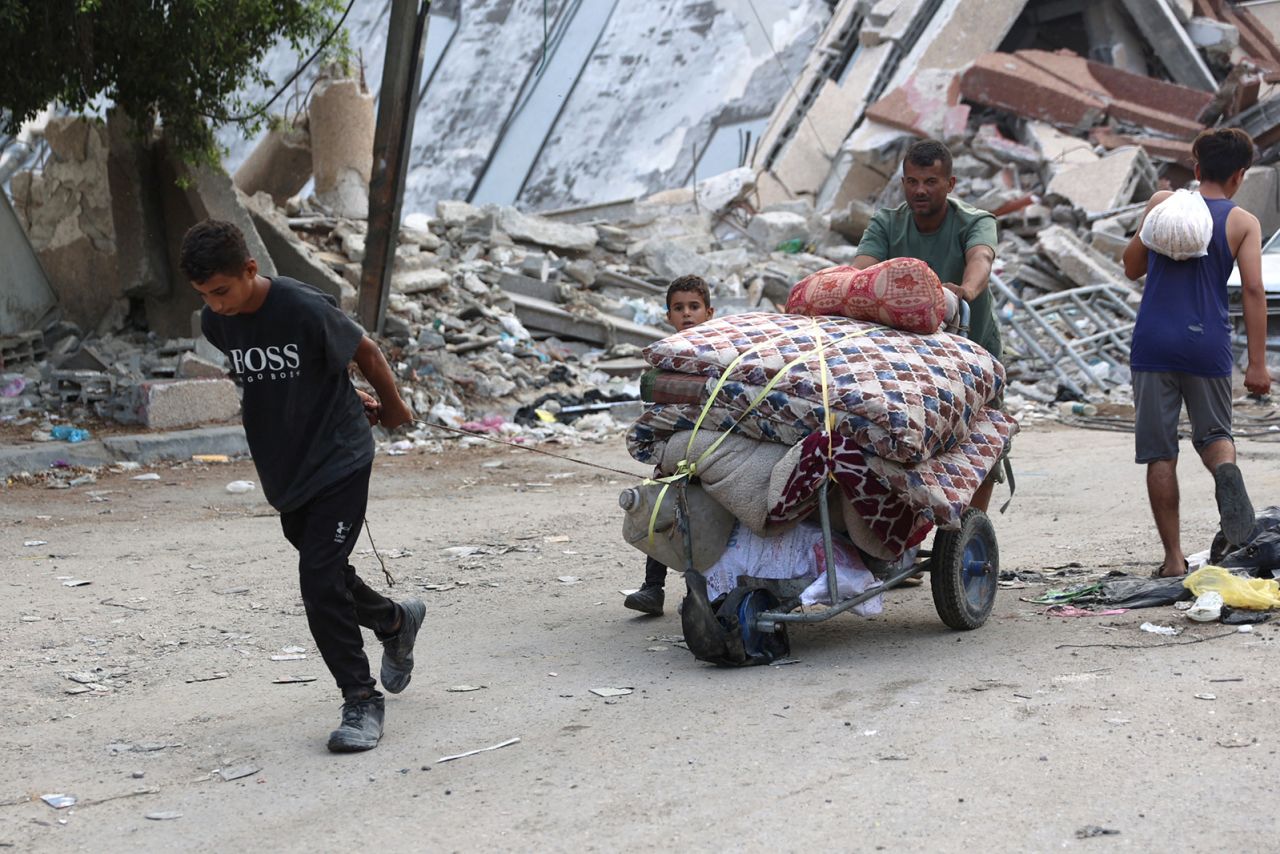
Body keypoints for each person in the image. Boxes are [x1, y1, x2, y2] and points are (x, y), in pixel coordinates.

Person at [182, 219, 426, 753]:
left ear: (250, 269)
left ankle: (361, 701)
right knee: (329, 572)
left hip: (340, 460)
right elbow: (284, 379)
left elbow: (366, 353)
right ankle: (393, 619)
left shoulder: (300, 305)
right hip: (285, 470)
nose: (216, 305)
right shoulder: (216, 323)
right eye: (205, 295)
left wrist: (394, 407)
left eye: (222, 291)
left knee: (317, 580)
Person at [1122, 127, 1271, 578]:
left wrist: (1156, 222)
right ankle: (1225, 471)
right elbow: (1252, 289)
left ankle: (1172, 560)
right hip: (1206, 342)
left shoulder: (1162, 205)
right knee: (1214, 436)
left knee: (1160, 453)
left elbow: (1131, 267)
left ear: (1197, 166)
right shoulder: (1243, 222)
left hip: (1153, 342)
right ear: (1240, 175)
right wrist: (1257, 365)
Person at [851, 138, 1003, 513]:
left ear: (949, 184)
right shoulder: (888, 223)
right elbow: (860, 272)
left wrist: (963, 292)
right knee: (900, 442)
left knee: (979, 443)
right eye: (912, 181)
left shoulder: (974, 220)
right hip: (905, 357)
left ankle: (970, 529)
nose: (920, 190)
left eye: (930, 182)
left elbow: (981, 258)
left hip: (972, 348)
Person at [624, 275, 716, 616]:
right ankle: (653, 587)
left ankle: (702, 594)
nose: (687, 314)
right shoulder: (665, 356)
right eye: (679, 308)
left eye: (694, 307)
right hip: (673, 446)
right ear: (668, 316)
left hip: (709, 446)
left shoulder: (717, 351)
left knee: (710, 517)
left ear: (709, 312)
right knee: (661, 509)